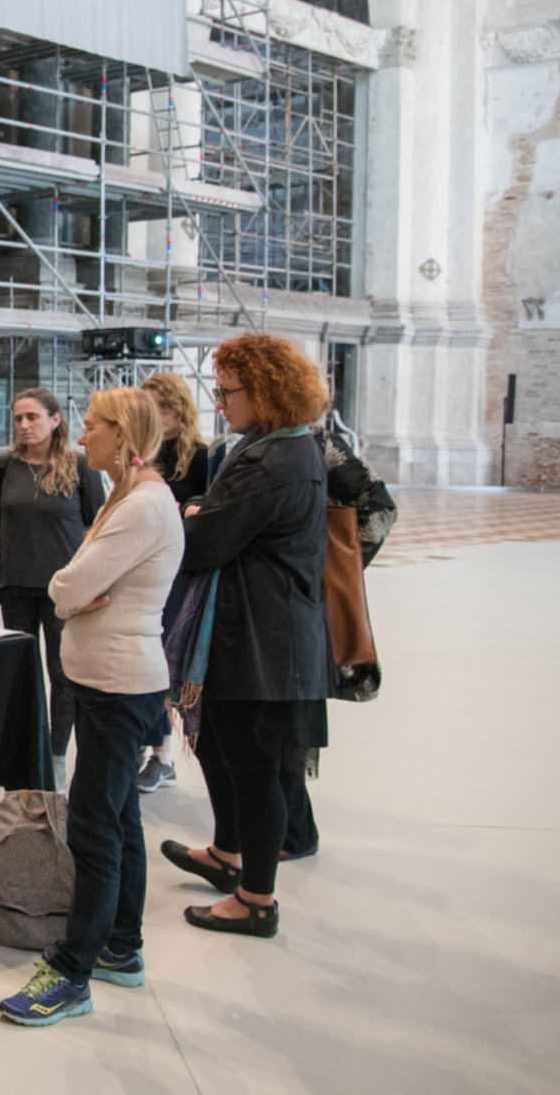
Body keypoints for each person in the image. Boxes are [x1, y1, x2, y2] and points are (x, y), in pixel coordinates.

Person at [0, 388, 183, 1027]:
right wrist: (74, 590)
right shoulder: (127, 497)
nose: (82, 438)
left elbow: (68, 582)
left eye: (93, 426)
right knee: (119, 817)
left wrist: (68, 593)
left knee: (96, 829)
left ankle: (73, 971)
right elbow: (78, 577)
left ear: (124, 436)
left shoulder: (142, 507)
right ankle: (120, 945)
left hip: (118, 684)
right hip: (111, 679)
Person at [159, 334, 332, 941]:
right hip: (257, 633)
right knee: (221, 750)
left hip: (263, 642)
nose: (220, 401)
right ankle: (227, 854)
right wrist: (202, 511)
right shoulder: (274, 448)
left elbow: (206, 544)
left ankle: (256, 899)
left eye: (227, 391)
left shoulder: (271, 460)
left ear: (263, 391)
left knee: (256, 768)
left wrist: (193, 516)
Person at [280, 418, 396, 859]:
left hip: (304, 605)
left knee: (292, 716)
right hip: (273, 603)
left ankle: (296, 832)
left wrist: (331, 569)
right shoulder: (251, 442)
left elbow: (379, 506)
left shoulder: (317, 443)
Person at [0, 387, 105, 784]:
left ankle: (56, 755)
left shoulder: (79, 465)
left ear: (55, 420)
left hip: (63, 587)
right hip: (16, 582)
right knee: (21, 671)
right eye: (18, 418)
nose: (24, 425)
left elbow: (97, 525)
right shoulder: (5, 465)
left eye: (32, 417)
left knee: (62, 671)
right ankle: (24, 752)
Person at [133, 370, 211, 794]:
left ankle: (162, 755)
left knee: (164, 662)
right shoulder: (143, 455)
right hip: (143, 567)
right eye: (149, 407)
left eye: (163, 407)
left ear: (180, 410)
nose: (157, 415)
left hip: (178, 571)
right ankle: (146, 749)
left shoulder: (199, 457)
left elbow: (204, 515)